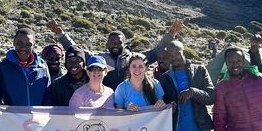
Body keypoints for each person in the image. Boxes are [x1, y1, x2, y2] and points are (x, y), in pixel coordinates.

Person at [47, 19, 186, 90]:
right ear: (108, 44)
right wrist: (60, 33)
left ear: (124, 44)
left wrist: (171, 33)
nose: (115, 44)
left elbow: (155, 52)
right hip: (106, 103)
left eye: (118, 42)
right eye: (112, 42)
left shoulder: (134, 58)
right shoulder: (101, 59)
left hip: (128, 104)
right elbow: (77, 51)